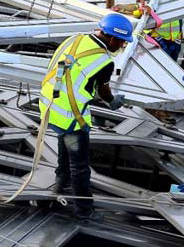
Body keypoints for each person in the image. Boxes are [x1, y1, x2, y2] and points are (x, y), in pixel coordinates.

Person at [38, 13, 131, 221]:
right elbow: (104, 91)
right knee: (80, 166)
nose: (122, 47)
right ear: (113, 38)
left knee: (65, 147)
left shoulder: (75, 39)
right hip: (70, 115)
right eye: (122, 43)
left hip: (49, 104)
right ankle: (83, 210)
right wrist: (113, 102)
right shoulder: (104, 62)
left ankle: (61, 182)